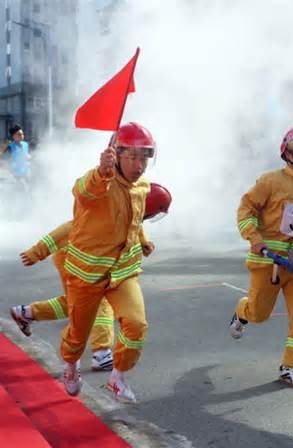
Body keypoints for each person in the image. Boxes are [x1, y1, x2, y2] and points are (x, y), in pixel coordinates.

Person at [9, 182, 171, 372]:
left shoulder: (130, 209)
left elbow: (135, 225)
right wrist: (37, 251)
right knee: (98, 300)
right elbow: (69, 228)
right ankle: (101, 353)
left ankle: (26, 313)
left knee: (78, 303)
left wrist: (145, 242)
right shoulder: (108, 213)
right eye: (151, 213)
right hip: (71, 257)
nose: (149, 217)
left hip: (93, 261)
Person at [58, 122, 155, 402]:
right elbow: (82, 193)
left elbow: (133, 218)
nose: (139, 165)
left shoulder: (143, 186)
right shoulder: (99, 182)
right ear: (117, 153)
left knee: (136, 325)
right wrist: (102, 172)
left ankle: (118, 377)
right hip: (86, 275)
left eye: (144, 157)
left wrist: (142, 239)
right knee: (77, 335)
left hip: (123, 273)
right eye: (133, 157)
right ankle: (70, 364)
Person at [231, 126, 293, 388]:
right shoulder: (269, 181)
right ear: (287, 152)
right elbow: (245, 210)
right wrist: (255, 239)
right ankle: (243, 310)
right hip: (268, 262)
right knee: (259, 313)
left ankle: (292, 367)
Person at [2, 124, 31, 190]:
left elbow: (27, 155)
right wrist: (11, 171)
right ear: (14, 136)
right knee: (22, 189)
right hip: (15, 175)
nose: (22, 136)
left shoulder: (25, 144)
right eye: (19, 134)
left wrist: (29, 157)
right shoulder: (10, 147)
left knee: (28, 190)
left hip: (26, 172)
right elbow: (4, 160)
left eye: (22, 134)